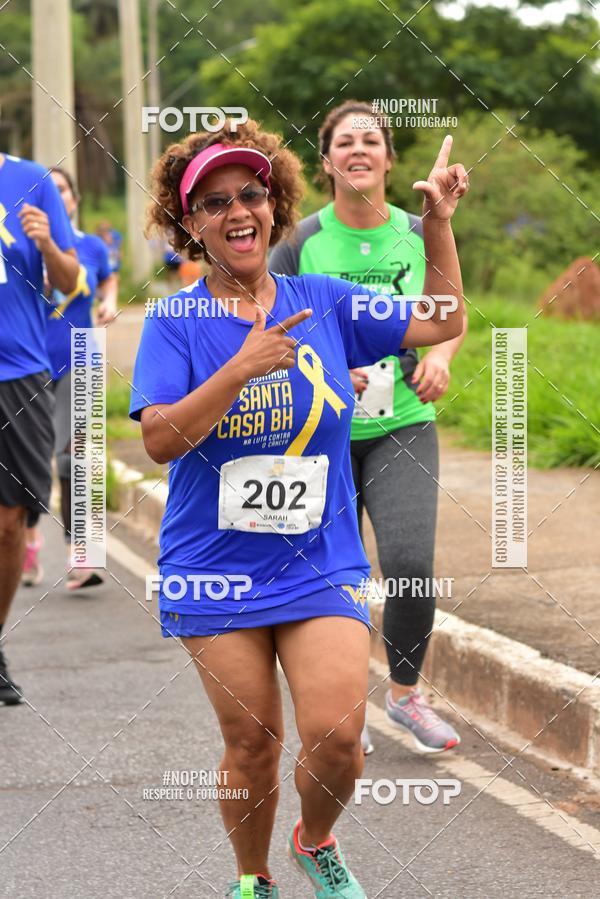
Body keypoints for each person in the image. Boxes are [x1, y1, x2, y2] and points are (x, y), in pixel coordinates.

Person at [130, 119, 467, 898]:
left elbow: (443, 318)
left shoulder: (324, 300)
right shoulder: (177, 321)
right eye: (213, 202)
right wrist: (240, 369)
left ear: (274, 203)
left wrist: (439, 226)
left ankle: (315, 841)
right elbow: (158, 439)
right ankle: (253, 877)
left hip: (318, 556)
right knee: (252, 740)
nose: (237, 210)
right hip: (214, 567)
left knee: (339, 738)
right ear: (190, 224)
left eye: (251, 193)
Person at [270, 100, 468, 755]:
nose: (359, 148)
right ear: (326, 161)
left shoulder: (419, 230)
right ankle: (332, 709)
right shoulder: (300, 242)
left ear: (387, 157)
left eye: (371, 140)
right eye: (345, 141)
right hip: (318, 433)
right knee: (328, 576)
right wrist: (321, 366)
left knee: (410, 564)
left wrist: (438, 356)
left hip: (402, 424)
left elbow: (448, 313)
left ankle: (406, 694)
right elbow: (268, 328)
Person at [0, 153, 78, 704]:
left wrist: (48, 243)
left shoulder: (32, 181)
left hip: (23, 372)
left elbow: (72, 279)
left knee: (10, 523)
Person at [22, 167, 118, 590]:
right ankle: (25, 541)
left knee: (77, 456)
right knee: (25, 461)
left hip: (82, 358)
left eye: (64, 190)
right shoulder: (20, 247)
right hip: (28, 362)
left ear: (75, 201)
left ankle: (83, 555)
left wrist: (110, 301)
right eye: (50, 191)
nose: (57, 196)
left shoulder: (92, 246)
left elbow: (108, 278)